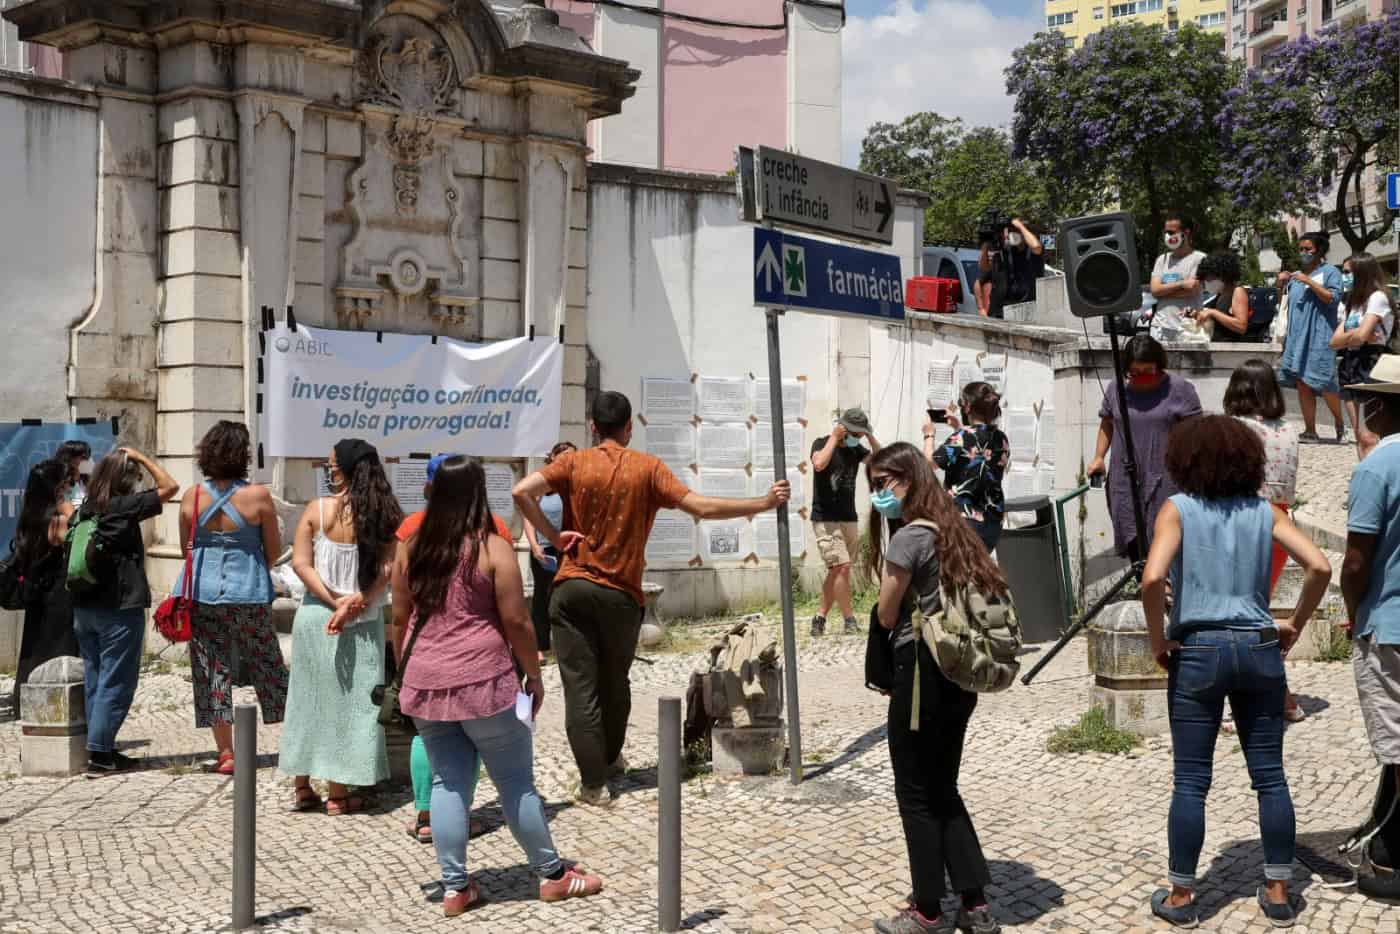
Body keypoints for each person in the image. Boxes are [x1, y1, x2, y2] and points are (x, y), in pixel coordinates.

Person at [513, 390, 789, 805]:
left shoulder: (572, 463)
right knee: (615, 684)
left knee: (580, 689)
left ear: (592, 427)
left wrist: (553, 537)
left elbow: (522, 491)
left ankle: (594, 785)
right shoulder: (648, 468)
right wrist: (763, 502)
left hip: (571, 590)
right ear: (629, 427)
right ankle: (609, 760)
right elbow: (700, 507)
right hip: (621, 595)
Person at [1142, 415, 1331, 929]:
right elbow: (1319, 566)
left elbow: (1152, 578)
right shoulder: (1265, 511)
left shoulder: (1178, 509)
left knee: (1190, 781)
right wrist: (1294, 623)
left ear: (1185, 461)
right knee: (1270, 776)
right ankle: (1278, 891)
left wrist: (1159, 640)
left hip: (1198, 650)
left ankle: (1181, 896)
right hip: (1258, 646)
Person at [394, 456, 604, 915]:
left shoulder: (410, 548)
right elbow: (517, 621)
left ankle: (455, 888)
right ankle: (552, 875)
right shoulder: (492, 547)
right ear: (478, 494)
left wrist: (406, 672)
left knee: (448, 782)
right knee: (515, 781)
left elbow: (400, 618)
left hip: (425, 683)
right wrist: (534, 675)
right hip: (484, 681)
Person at [866, 442, 1003, 934]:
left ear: (910, 480)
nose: (879, 495)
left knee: (915, 791)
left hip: (921, 671)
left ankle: (926, 910)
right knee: (943, 786)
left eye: (884, 483)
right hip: (959, 672)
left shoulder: (909, 538)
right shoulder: (958, 529)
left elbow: (887, 614)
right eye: (874, 486)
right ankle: (975, 906)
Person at [279, 438, 402, 814]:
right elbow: (388, 569)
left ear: (343, 470)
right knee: (352, 706)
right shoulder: (385, 514)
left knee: (307, 698)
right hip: (362, 619)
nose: (328, 470)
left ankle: (303, 785)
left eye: (331, 465)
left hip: (317, 615)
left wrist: (334, 602)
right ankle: (338, 791)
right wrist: (357, 600)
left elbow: (301, 564)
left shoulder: (318, 510)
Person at [393, 452, 511, 845]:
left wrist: (402, 665)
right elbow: (512, 611)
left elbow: (401, 613)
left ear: (431, 487)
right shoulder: (492, 531)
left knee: (427, 741)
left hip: (425, 663)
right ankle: (461, 818)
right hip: (479, 666)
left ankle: (427, 815)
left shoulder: (411, 531)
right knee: (475, 749)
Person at [175, 421, 288, 775]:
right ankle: (292, 743)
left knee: (211, 669)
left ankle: (226, 753)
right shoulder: (258, 497)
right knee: (267, 664)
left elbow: (185, 549)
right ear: (243, 456)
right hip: (249, 592)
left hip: (203, 593)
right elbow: (273, 550)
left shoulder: (192, 496)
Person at [70, 447, 180, 774]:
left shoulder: (86, 508)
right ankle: (101, 755)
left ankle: (99, 748)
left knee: (95, 678)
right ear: (125, 480)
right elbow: (170, 487)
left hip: (84, 607)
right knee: (116, 681)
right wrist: (142, 457)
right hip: (118, 608)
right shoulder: (122, 506)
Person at [1338, 355, 1400, 904]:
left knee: (1398, 749)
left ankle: (1396, 859)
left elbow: (1356, 560)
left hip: (1390, 624)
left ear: (1378, 405)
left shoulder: (1376, 468)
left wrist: (1352, 609)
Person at [1223, 361, 1306, 723]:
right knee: (1253, 613)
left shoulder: (1235, 429)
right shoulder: (1289, 429)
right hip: (1280, 528)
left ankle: (1272, 697)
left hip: (1242, 525)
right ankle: (1281, 697)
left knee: (1239, 617)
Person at [1086, 335, 1203, 558]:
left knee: (1166, 548)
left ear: (1159, 365)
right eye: (1134, 373)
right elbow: (1107, 423)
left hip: (1167, 480)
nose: (1141, 377)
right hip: (1125, 480)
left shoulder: (1180, 389)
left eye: (1148, 371)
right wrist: (1099, 456)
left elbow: (1196, 434)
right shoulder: (1116, 389)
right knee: (1135, 549)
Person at [9, 460, 78, 714]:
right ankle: (55, 705)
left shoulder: (30, 516)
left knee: (34, 647)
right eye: (65, 484)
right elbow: (79, 538)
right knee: (59, 651)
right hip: (59, 595)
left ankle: (25, 700)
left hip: (37, 592)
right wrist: (70, 509)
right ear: (55, 487)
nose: (69, 488)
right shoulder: (57, 521)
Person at [809, 408, 881, 636]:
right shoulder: (821, 443)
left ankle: (820, 617)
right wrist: (834, 437)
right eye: (856, 434)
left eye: (861, 435)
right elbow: (819, 464)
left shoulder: (855, 449)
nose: (858, 438)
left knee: (838, 570)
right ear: (844, 429)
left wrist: (869, 436)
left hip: (849, 517)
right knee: (842, 567)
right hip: (826, 518)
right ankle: (849, 620)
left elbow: (880, 461)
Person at [925, 382, 1010, 553]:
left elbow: (928, 463)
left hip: (963, 522)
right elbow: (975, 449)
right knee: (978, 566)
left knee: (958, 568)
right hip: (992, 522)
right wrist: (958, 427)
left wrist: (929, 434)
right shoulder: (1001, 438)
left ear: (968, 407)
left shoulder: (961, 437)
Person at [1277, 231, 1345, 443]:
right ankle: (1310, 430)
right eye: (1301, 249)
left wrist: (1309, 281)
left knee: (1325, 381)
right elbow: (1285, 304)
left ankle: (1340, 423)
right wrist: (1282, 284)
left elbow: (1333, 298)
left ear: (1319, 250)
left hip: (1320, 335)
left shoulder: (1330, 272)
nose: (1303, 253)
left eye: (1308, 249)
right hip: (1297, 337)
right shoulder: (1297, 276)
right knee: (1302, 382)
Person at [1331, 252, 1394, 460]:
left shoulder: (1377, 298)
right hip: (1350, 363)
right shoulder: (1353, 303)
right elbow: (1334, 342)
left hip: (1370, 363)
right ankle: (1363, 472)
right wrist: (1357, 335)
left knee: (1370, 434)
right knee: (1359, 434)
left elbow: (1361, 336)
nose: (1344, 277)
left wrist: (1356, 336)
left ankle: (1377, 473)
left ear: (1362, 272)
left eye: (1347, 272)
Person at [524, 441, 578, 659]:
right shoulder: (541, 482)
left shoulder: (575, 483)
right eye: (563, 455)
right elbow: (528, 516)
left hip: (569, 550)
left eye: (572, 456)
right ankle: (540, 646)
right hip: (544, 550)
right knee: (542, 597)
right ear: (553, 457)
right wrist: (534, 546)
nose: (568, 460)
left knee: (568, 596)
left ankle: (567, 646)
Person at [1148, 214, 1207, 342]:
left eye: (1171, 232)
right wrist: (1181, 284)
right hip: (1160, 327)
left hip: (1189, 329)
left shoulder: (1200, 259)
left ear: (1186, 232)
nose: (1167, 236)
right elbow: (1154, 290)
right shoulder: (1162, 259)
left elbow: (1192, 290)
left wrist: (1163, 292)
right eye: (1165, 232)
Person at [979, 217, 1045, 320]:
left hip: (1027, 308)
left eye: (1015, 231)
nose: (1011, 234)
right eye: (1010, 231)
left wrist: (1020, 226)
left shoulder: (1032, 252)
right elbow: (984, 268)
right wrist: (985, 247)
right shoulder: (1006, 252)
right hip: (1003, 310)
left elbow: (1036, 246)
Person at [1190, 251, 1251, 338]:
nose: (1206, 282)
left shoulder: (1237, 292)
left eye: (1209, 278)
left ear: (1222, 275)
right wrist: (1197, 315)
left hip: (1232, 345)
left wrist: (1213, 312)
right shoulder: (1219, 295)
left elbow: (1241, 326)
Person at [56, 440, 92, 509]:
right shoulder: (59, 483)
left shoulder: (88, 481)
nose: (87, 460)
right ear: (69, 458)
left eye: (88, 456)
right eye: (83, 457)